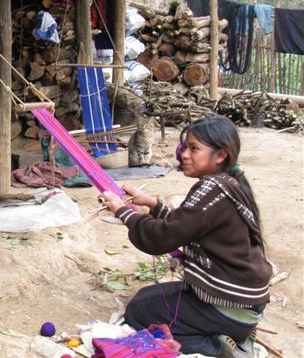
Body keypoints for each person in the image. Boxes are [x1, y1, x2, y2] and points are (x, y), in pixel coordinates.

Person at [101, 116, 272, 358]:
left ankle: (218, 346)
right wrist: (153, 204)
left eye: (194, 149)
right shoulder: (228, 182)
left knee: (138, 312)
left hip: (230, 306)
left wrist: (123, 211)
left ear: (221, 155)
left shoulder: (212, 188)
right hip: (241, 302)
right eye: (186, 147)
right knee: (145, 297)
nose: (184, 155)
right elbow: (188, 225)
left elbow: (162, 237)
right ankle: (231, 331)